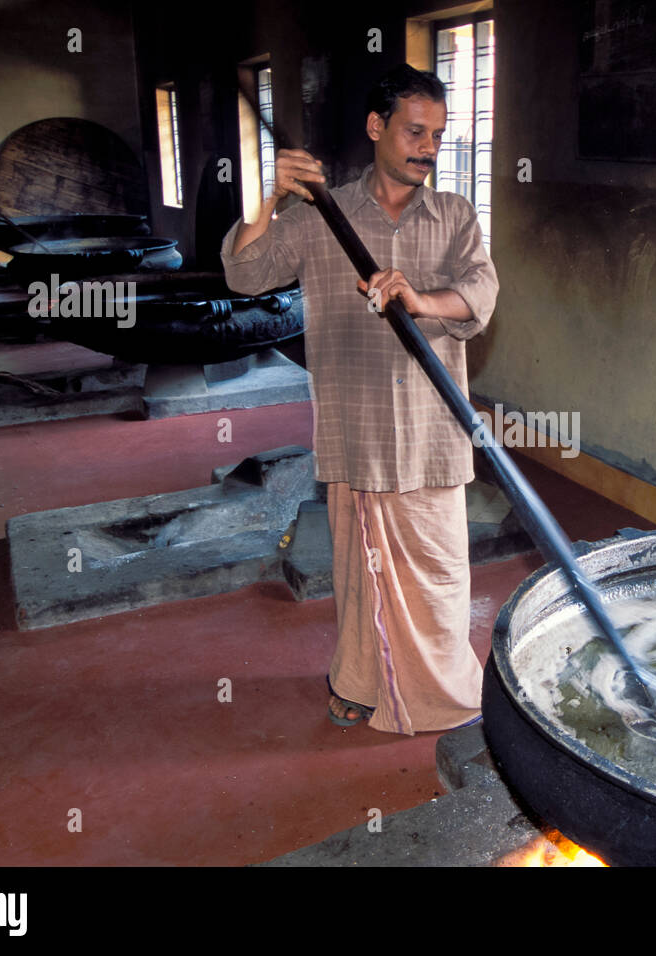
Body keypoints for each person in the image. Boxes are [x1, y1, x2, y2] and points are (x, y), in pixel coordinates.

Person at [221, 65, 498, 735]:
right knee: (361, 574)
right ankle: (358, 681)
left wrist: (419, 300)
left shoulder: (455, 216)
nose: (427, 146)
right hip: (359, 432)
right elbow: (244, 273)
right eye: (413, 130)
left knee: (438, 577)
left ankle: (441, 693)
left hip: (434, 432)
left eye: (437, 133)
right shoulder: (323, 216)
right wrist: (272, 198)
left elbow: (480, 296)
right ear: (376, 128)